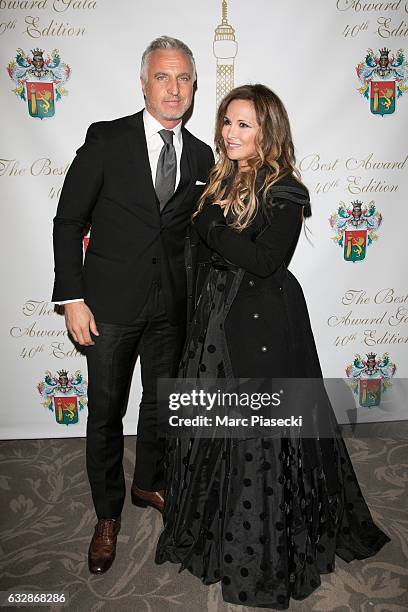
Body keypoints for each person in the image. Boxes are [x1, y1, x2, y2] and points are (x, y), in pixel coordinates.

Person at [155, 84, 390, 609]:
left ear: (268, 133)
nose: (230, 133)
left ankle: (260, 551)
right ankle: (211, 530)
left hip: (262, 323)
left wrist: (212, 223)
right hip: (213, 320)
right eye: (227, 122)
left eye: (244, 125)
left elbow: (265, 261)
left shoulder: (284, 189)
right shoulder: (216, 178)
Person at [51, 36, 214, 574]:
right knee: (105, 413)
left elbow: (196, 235)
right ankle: (107, 514)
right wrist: (72, 298)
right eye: (163, 77)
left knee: (161, 405)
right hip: (109, 307)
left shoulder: (201, 156)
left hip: (171, 308)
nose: (174, 88)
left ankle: (149, 483)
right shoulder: (106, 140)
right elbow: (68, 221)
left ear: (194, 88)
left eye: (184, 78)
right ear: (143, 84)